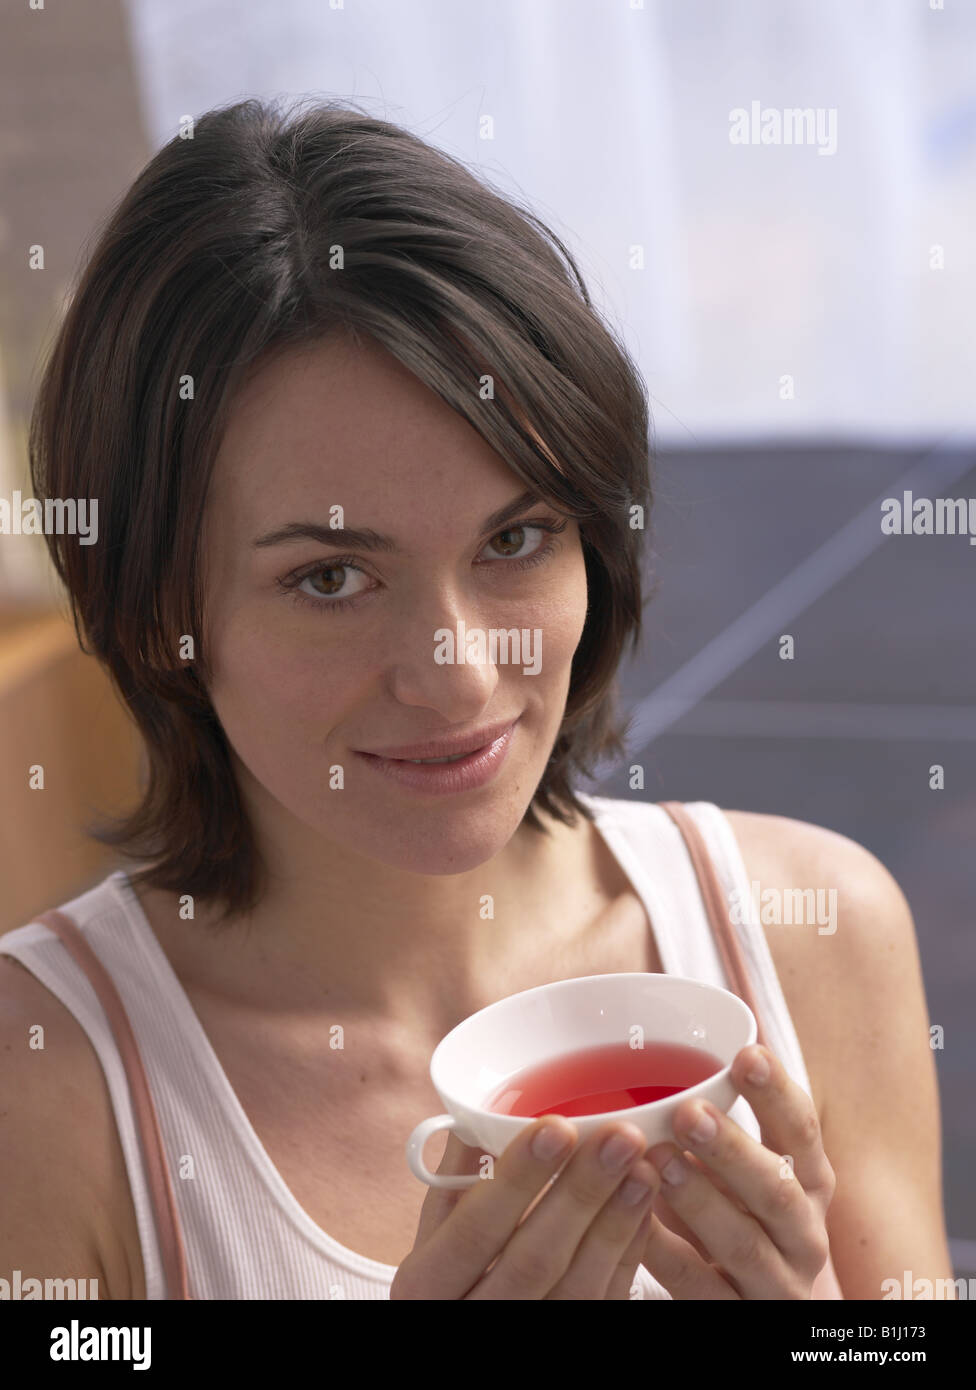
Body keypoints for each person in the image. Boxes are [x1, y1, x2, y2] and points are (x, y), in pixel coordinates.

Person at [0, 97, 953, 1301]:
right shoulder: (42, 1081)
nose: (455, 669)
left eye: (514, 538)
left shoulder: (812, 936)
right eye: (331, 577)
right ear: (155, 613)